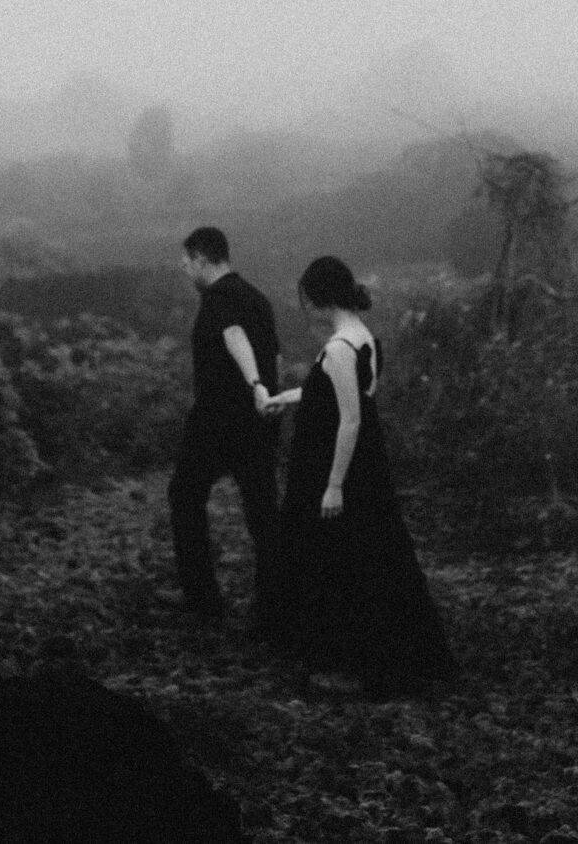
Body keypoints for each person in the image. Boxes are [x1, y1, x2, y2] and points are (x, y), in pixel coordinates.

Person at [258, 255, 455, 697]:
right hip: (361, 466)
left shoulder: (340, 347)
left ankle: (352, 663)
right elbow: (327, 395)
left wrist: (332, 485)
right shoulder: (362, 338)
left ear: (318, 298)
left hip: (338, 466)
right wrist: (283, 399)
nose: (305, 307)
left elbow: (350, 419)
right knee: (367, 557)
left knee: (342, 562)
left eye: (307, 299)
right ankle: (360, 658)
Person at [167, 226, 283, 623]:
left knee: (184, 495)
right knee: (263, 510)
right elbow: (276, 357)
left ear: (201, 258)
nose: (185, 270)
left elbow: (234, 337)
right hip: (258, 420)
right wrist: (270, 395)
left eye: (186, 262)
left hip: (218, 420)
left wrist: (253, 383)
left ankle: (202, 600)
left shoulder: (218, 300)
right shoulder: (258, 298)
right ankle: (274, 604)